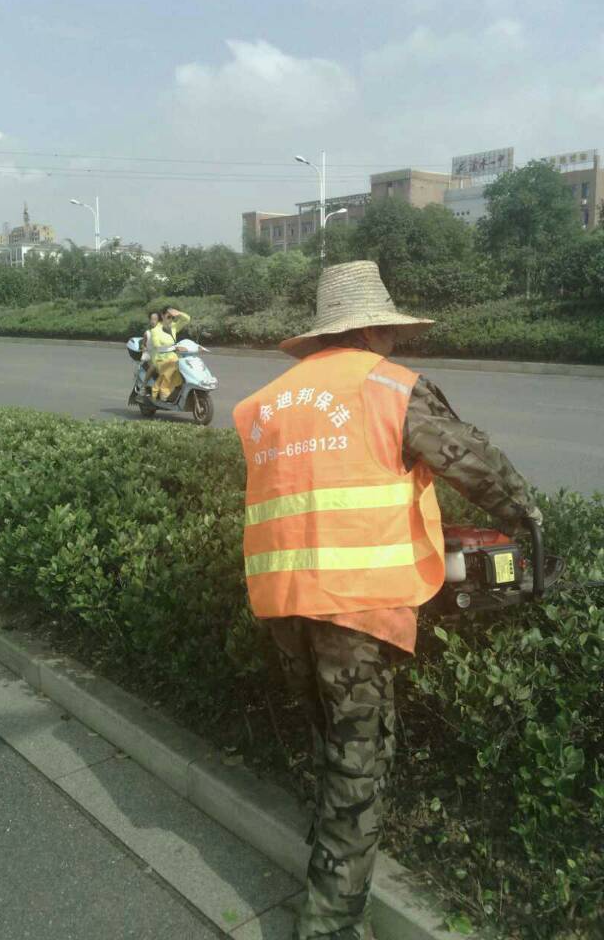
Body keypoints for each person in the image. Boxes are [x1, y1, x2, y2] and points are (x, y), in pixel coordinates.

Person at [232, 260, 542, 940]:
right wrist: (530, 522)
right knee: (360, 761)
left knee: (332, 737)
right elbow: (475, 465)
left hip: (283, 601)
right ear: (374, 330)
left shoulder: (266, 402)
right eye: (392, 331)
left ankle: (330, 849)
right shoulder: (390, 387)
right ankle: (331, 922)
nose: (397, 342)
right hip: (357, 603)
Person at [150, 305, 191, 400]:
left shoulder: (173, 327)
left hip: (173, 356)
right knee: (172, 365)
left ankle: (178, 391)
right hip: (161, 357)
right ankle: (163, 391)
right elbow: (157, 345)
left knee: (185, 367)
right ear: (162, 315)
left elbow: (187, 319)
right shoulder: (155, 330)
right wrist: (175, 347)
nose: (171, 319)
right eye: (169, 316)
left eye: (173, 317)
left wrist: (179, 313)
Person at [137, 310, 160, 391]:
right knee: (154, 366)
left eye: (155, 319)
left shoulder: (163, 333)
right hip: (150, 357)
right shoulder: (147, 333)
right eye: (152, 319)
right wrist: (143, 348)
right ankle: (144, 385)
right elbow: (143, 344)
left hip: (161, 356)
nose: (153, 321)